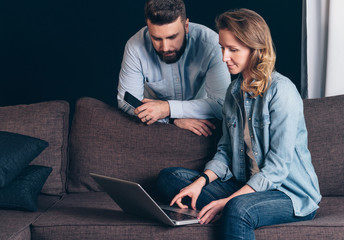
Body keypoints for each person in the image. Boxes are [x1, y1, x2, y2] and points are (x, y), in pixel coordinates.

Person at [156, 8, 321, 239]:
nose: (224, 57)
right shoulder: (233, 92)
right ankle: (223, 208)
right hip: (244, 184)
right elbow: (224, 151)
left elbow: (278, 167)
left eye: (233, 50)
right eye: (222, 48)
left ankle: (228, 210)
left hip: (287, 193)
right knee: (169, 178)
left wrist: (228, 201)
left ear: (256, 50)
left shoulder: (282, 92)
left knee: (239, 208)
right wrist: (201, 182)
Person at [117, 0, 231, 137]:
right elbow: (126, 104)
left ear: (186, 26)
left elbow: (222, 104)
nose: (165, 47)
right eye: (156, 38)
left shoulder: (212, 45)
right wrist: (172, 119)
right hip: (154, 125)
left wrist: (167, 108)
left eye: (172, 37)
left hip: (201, 124)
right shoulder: (135, 47)